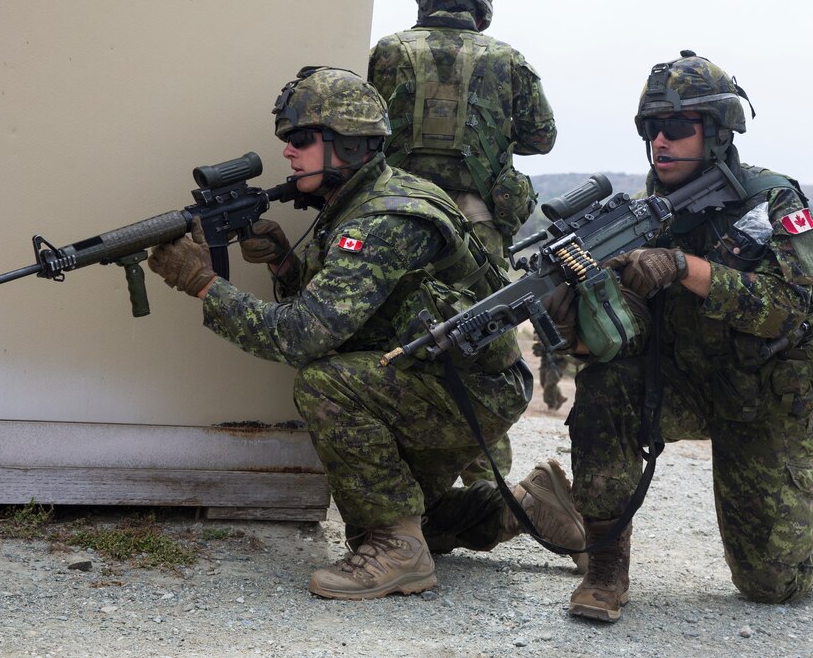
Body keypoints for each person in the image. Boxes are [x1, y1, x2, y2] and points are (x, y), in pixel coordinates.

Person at [146, 66, 586, 600]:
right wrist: (285, 264)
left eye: (302, 140)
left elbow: (303, 336)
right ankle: (529, 505)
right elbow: (355, 309)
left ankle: (400, 554)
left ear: (349, 145)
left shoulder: (381, 220)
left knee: (324, 382)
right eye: (288, 141)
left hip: (470, 388)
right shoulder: (358, 201)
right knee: (399, 515)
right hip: (449, 376)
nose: (288, 152)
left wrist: (202, 284)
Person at [555, 52, 813, 622]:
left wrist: (683, 266)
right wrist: (578, 320)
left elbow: (784, 308)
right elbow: (620, 338)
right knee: (605, 384)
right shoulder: (643, 214)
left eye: (678, 127)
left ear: (719, 132)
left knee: (771, 583)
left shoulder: (771, 200)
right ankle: (605, 564)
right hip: (682, 384)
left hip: (765, 396)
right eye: (652, 128)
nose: (661, 140)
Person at [369, 0, 557, 485]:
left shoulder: (386, 52)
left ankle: (398, 475)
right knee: (480, 342)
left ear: (425, 2)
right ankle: (487, 481)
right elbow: (542, 138)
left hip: (398, 215)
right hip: (477, 225)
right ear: (480, 10)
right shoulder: (507, 59)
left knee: (386, 334)